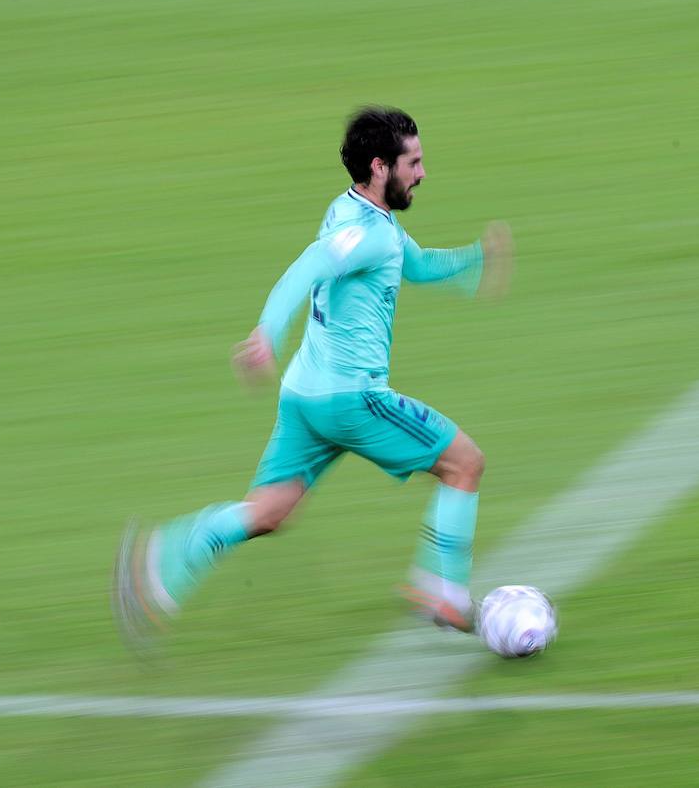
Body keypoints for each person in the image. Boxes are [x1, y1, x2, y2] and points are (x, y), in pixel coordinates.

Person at [113, 106, 513, 655]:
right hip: (353, 399)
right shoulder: (365, 235)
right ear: (379, 167)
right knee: (465, 463)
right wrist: (266, 333)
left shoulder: (356, 214)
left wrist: (474, 260)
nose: (422, 173)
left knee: (268, 511)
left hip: (304, 396)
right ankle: (443, 592)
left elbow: (412, 263)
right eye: (413, 162)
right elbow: (309, 266)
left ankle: (164, 559)